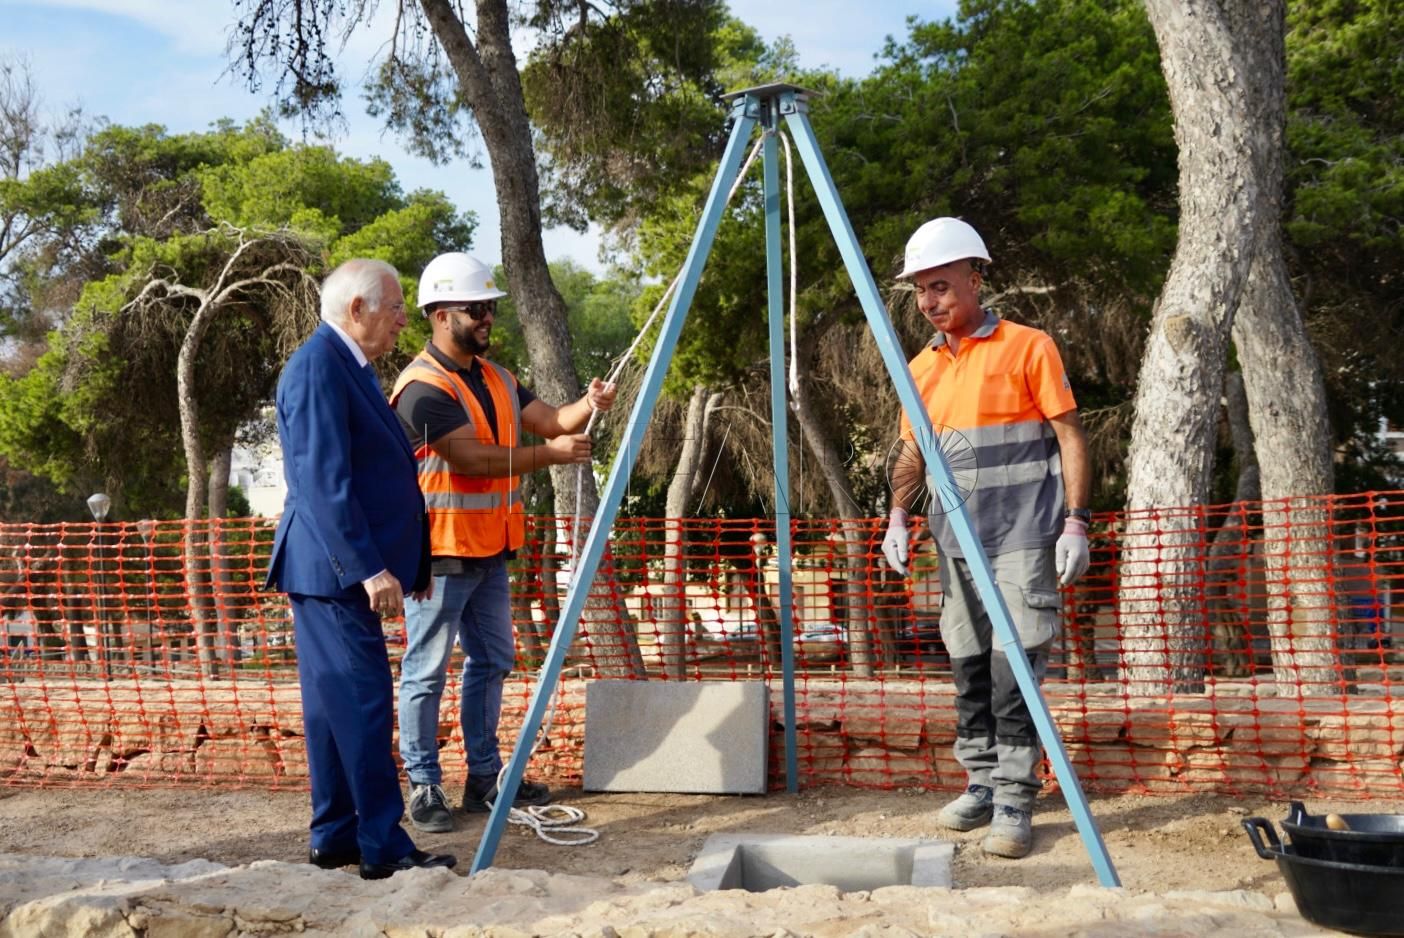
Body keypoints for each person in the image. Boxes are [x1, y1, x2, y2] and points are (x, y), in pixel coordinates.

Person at [881, 218, 1090, 859]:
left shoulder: (1029, 347)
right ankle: (979, 783)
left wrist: (1076, 521)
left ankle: (1014, 800)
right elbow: (913, 452)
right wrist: (897, 516)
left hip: (1023, 535)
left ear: (975, 277)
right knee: (969, 669)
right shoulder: (920, 367)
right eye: (920, 291)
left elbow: (1070, 438)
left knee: (1014, 669)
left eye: (940, 285)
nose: (929, 302)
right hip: (952, 541)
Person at [390, 252, 617, 832]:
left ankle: (485, 781)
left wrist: (589, 405)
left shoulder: (497, 378)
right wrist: (549, 458)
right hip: (439, 553)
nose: (489, 317)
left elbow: (556, 420)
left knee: (493, 660)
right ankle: (423, 785)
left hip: (488, 549)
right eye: (477, 309)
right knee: (426, 671)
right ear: (441, 315)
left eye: (490, 308)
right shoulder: (422, 389)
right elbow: (473, 460)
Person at [265, 258, 456, 880]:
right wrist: (371, 569)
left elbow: (380, 474)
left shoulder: (349, 366)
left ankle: (336, 836)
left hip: (334, 570)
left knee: (332, 711)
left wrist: (411, 562)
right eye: (396, 306)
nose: (405, 318)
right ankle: (383, 846)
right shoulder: (320, 365)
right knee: (367, 704)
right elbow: (323, 481)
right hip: (335, 571)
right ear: (357, 309)